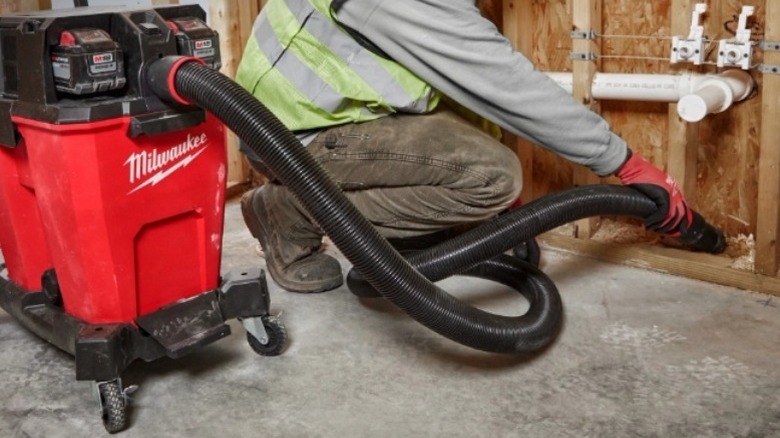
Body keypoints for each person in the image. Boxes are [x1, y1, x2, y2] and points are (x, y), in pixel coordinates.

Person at [234, 0, 694, 293]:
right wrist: (626, 163)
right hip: (293, 137)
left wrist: (502, 213)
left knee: (480, 185)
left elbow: (459, 87)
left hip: (326, 119)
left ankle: (309, 202)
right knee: (492, 178)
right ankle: (290, 210)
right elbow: (500, 82)